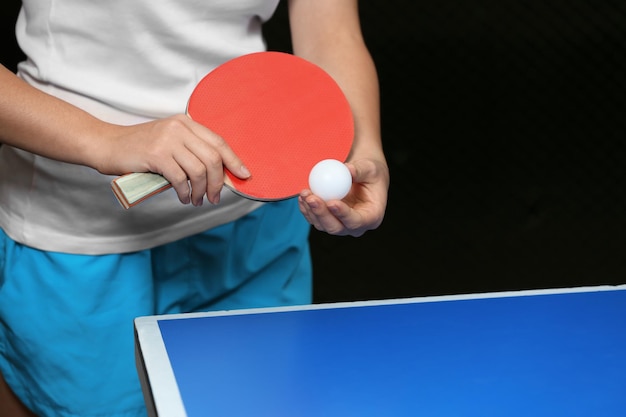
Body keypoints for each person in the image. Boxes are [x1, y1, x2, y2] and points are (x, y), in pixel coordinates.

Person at [0, 0, 389, 415]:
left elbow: (332, 34)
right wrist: (104, 139)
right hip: (80, 241)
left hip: (254, 234)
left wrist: (364, 152)